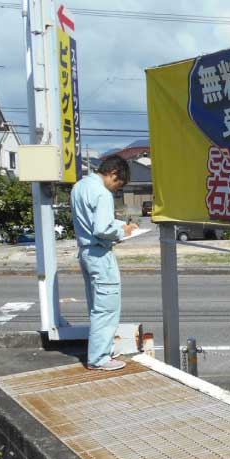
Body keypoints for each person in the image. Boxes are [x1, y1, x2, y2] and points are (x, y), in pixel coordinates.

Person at [70, 155, 138, 371]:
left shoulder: (80, 186)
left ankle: (103, 350)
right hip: (100, 254)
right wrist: (122, 231)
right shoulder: (102, 193)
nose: (117, 189)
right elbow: (102, 228)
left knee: (96, 306)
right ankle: (99, 358)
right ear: (114, 174)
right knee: (107, 308)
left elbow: (92, 221)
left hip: (85, 252)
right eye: (119, 184)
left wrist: (120, 226)